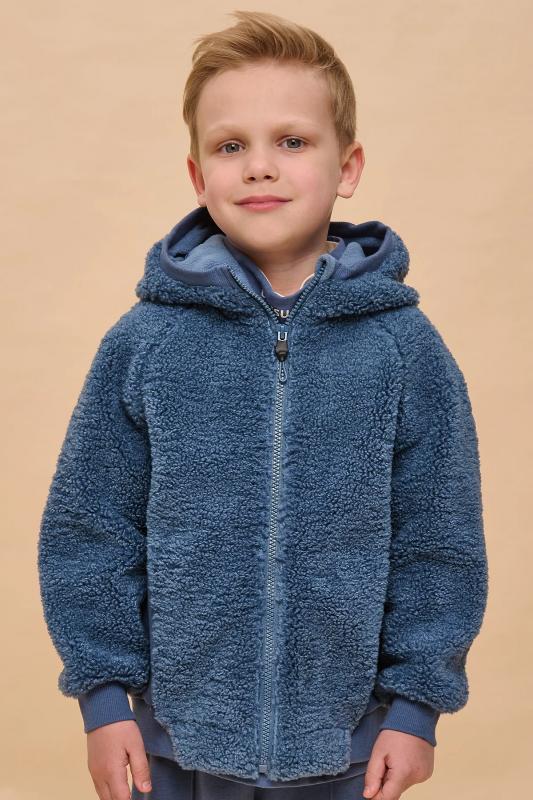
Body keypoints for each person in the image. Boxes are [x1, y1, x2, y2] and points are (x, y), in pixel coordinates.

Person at [37, 10, 489, 800]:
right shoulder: (145, 341)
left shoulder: (403, 349)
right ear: (197, 175)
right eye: (230, 146)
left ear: (347, 166)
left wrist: (416, 708)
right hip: (172, 745)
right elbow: (89, 529)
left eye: (291, 141)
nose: (258, 168)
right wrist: (103, 701)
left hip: (349, 745)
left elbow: (439, 542)